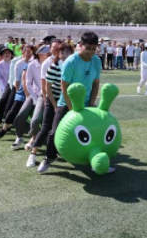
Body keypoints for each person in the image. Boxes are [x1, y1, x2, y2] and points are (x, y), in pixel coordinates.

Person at [37, 32, 104, 173]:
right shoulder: (71, 62)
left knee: (95, 131)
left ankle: (95, 160)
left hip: (86, 104)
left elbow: (96, 84)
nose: (91, 52)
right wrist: (72, 108)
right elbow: (64, 86)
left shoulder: (96, 61)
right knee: (54, 132)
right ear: (80, 45)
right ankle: (49, 157)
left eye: (94, 48)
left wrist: (91, 104)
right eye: (88, 48)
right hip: (66, 103)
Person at [0, 44, 33, 139]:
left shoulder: (34, 62)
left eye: (31, 51)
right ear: (23, 52)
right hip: (19, 88)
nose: (29, 53)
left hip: (32, 90)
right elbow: (16, 80)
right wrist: (18, 94)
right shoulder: (18, 63)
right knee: (12, 109)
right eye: (27, 51)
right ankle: (5, 127)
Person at [21, 44, 51, 151]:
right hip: (39, 96)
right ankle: (34, 138)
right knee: (34, 120)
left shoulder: (52, 63)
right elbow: (28, 83)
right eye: (47, 53)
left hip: (53, 95)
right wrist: (35, 98)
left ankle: (39, 141)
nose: (50, 55)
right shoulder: (32, 65)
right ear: (40, 54)